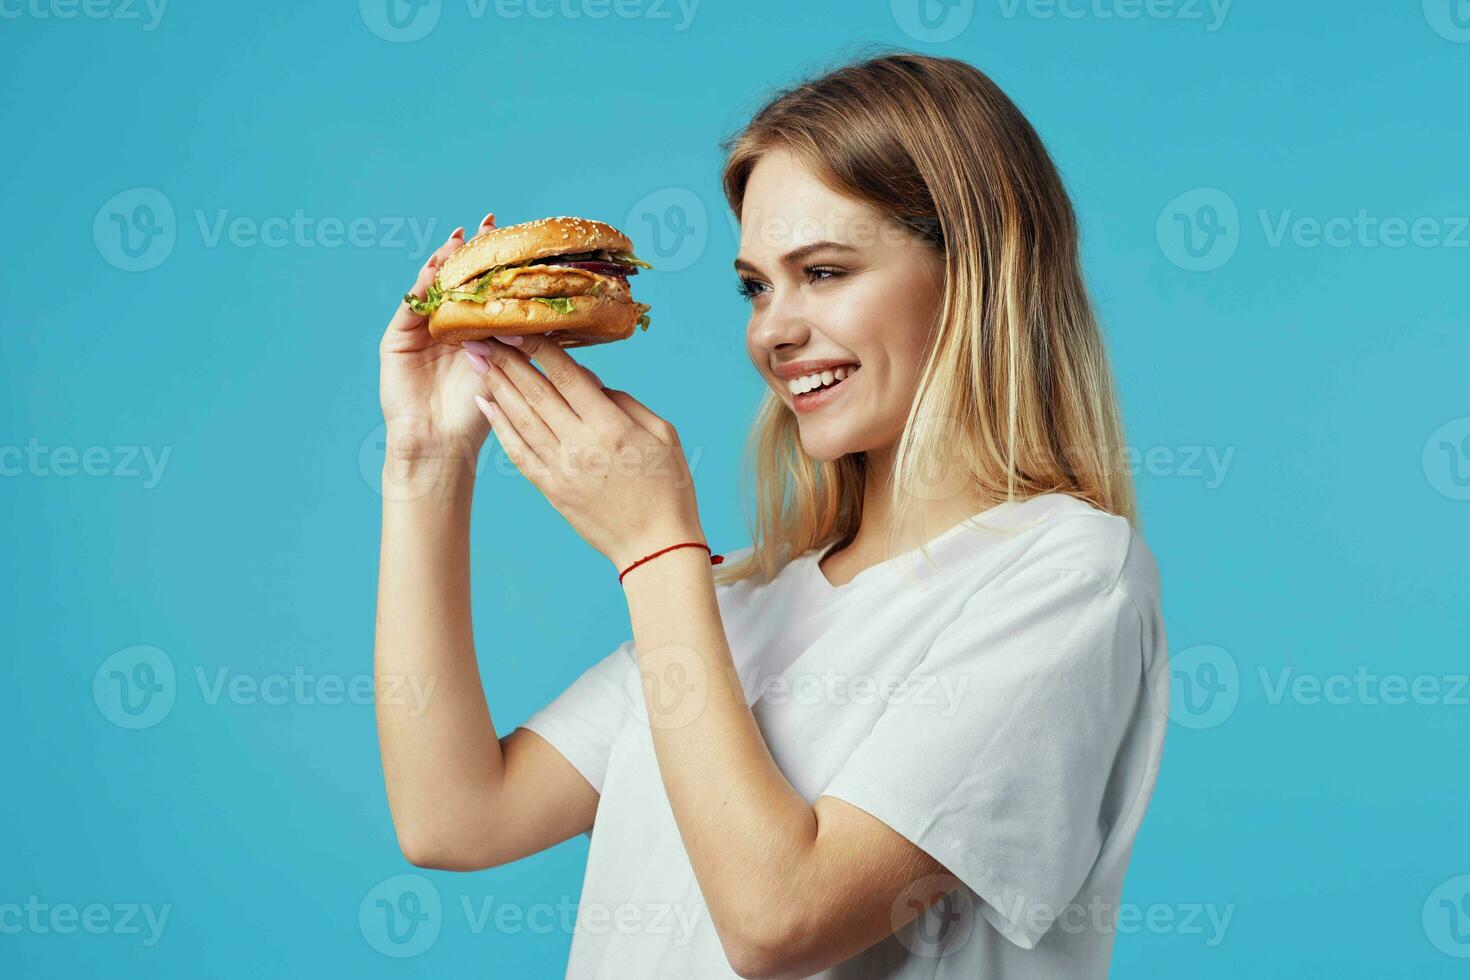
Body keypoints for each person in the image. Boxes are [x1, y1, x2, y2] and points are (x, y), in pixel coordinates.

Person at [374, 50, 1168, 980]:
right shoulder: (741, 596)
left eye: (824, 271)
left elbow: (780, 920)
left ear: (980, 271)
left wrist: (654, 549)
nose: (771, 331)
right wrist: (425, 462)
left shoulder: (1065, 575)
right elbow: (457, 815)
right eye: (756, 285)